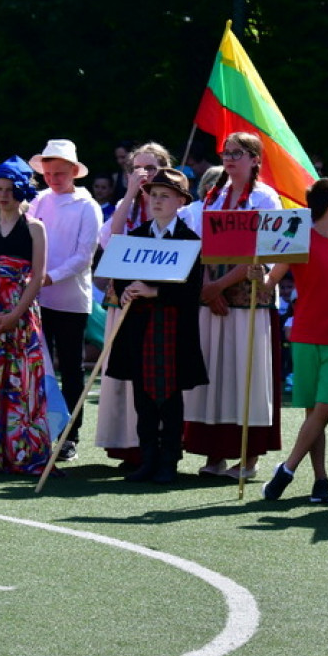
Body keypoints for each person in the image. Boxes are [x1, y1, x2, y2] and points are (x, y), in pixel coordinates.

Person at [182, 131, 284, 479]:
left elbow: (265, 251)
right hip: (213, 296)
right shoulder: (215, 195)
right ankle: (215, 454)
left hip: (248, 299)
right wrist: (209, 286)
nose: (229, 158)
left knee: (246, 375)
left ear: (256, 159)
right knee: (214, 374)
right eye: (226, 153)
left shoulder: (265, 198)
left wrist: (220, 286)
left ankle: (249, 458)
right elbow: (205, 245)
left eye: (238, 153)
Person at [257, 178, 328, 504]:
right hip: (304, 337)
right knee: (313, 414)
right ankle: (321, 480)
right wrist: (256, 272)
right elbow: (270, 281)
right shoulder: (299, 241)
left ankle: (287, 470)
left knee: (324, 409)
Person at [106, 169, 208, 484]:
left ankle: (169, 461)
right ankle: (148, 458)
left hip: (173, 331)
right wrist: (125, 288)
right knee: (142, 395)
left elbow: (192, 290)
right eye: (154, 195)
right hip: (139, 329)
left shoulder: (190, 241)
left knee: (170, 397)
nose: (157, 201)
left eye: (166, 195)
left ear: (180, 201)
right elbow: (120, 275)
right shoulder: (135, 237)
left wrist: (155, 291)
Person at [0, 157, 55, 474]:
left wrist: (15, 313)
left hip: (22, 320)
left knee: (23, 384)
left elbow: (37, 277)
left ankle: (24, 453)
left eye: (9, 189)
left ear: (21, 191)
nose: (3, 195)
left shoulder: (35, 228)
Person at [94, 142, 172, 468]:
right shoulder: (123, 208)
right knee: (124, 379)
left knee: (155, 378)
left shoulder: (174, 210)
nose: (143, 174)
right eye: (136, 168)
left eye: (151, 168)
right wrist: (129, 194)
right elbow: (110, 238)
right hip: (122, 302)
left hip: (158, 304)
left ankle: (158, 449)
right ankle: (130, 447)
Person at [28, 139, 102, 462]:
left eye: (59, 173)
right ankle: (38, 428)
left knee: (71, 369)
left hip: (71, 300)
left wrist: (49, 276)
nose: (53, 179)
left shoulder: (88, 206)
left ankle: (70, 434)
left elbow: (84, 257)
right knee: (38, 366)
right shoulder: (39, 200)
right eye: (47, 173)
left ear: (74, 171)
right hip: (38, 298)